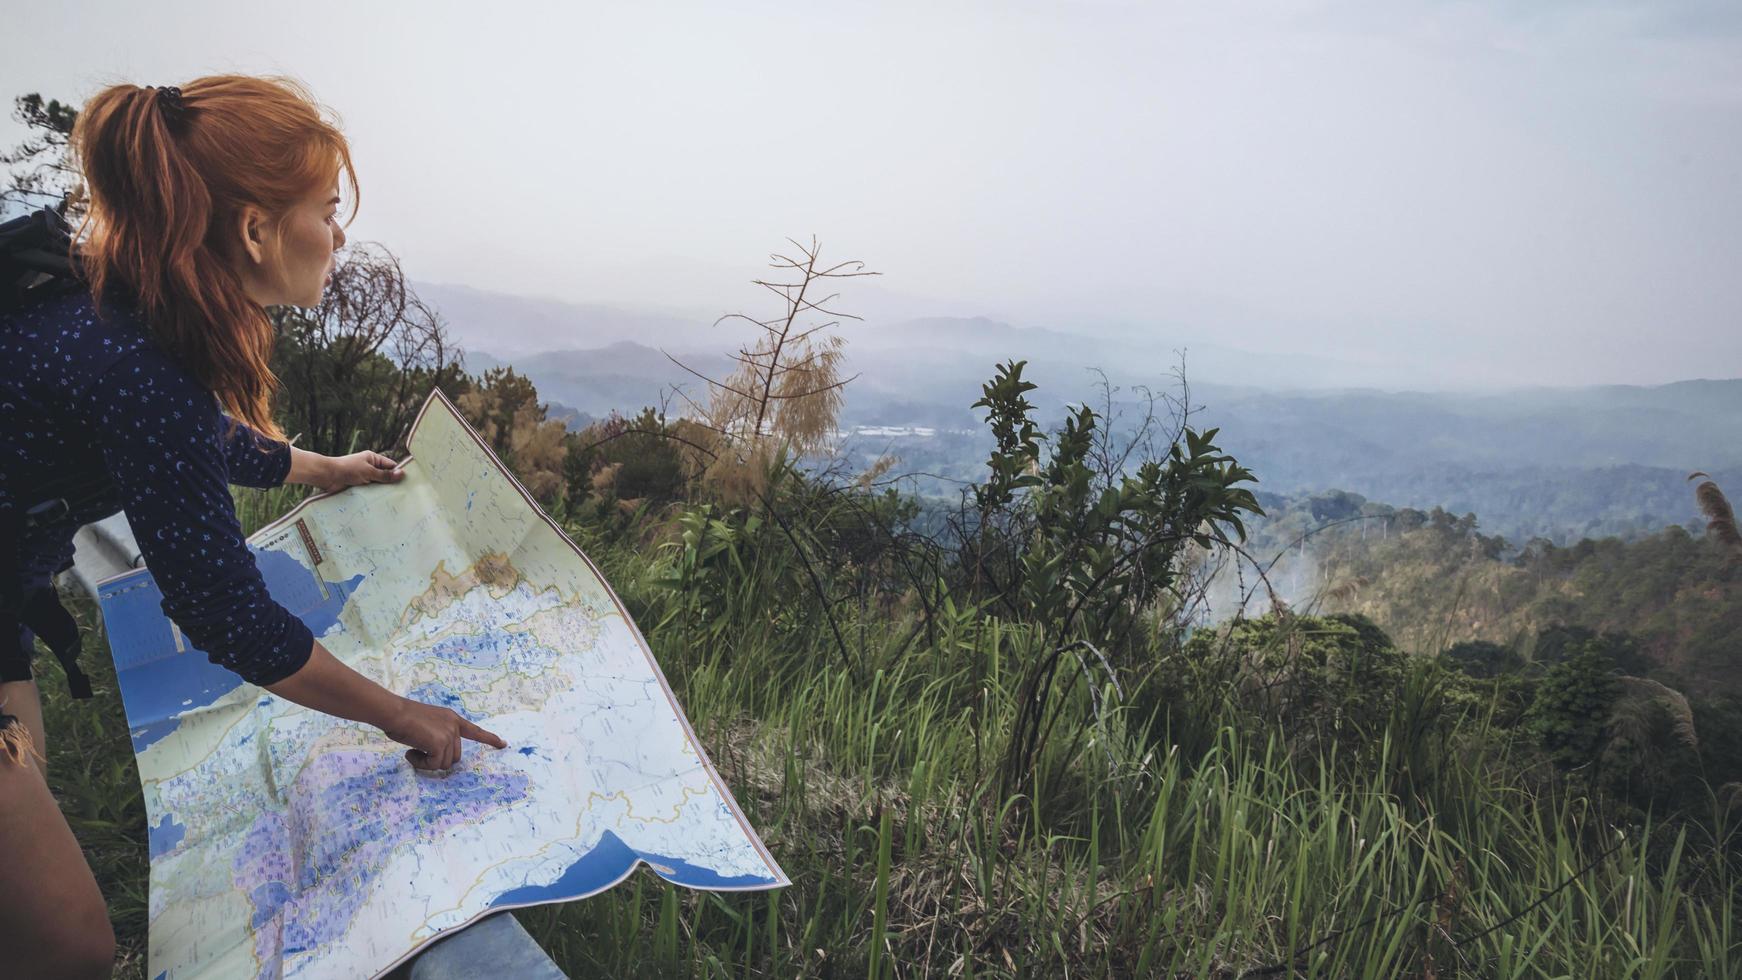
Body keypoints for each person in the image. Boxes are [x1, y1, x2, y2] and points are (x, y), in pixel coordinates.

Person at [0, 76, 506, 979]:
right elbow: (223, 612)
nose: (339, 233)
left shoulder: (116, 307)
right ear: (254, 230)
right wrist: (403, 715)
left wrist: (325, 467)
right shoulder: (136, 361)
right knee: (69, 945)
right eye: (325, 207)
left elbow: (192, 439)